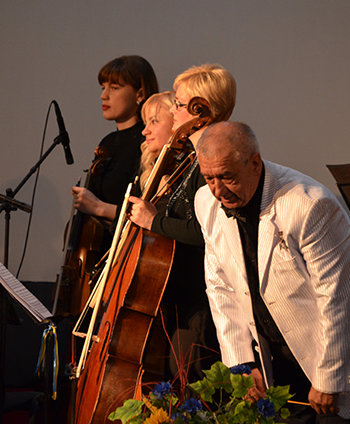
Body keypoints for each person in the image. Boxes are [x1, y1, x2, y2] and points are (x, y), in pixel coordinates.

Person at [194, 121, 350, 423]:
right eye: (209, 178)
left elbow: (338, 298)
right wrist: (242, 364)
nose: (218, 190)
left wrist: (329, 379)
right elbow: (220, 286)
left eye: (227, 177)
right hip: (281, 363)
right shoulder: (205, 201)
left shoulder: (309, 204)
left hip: (345, 360)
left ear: (254, 163)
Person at [127, 64, 237, 383]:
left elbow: (207, 233)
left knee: (194, 386)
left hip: (201, 302)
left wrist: (153, 220)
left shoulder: (210, 162)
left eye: (179, 103)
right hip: (182, 300)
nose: (174, 110)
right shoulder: (191, 159)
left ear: (200, 109)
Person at [71, 55, 158, 233]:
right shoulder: (108, 142)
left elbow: (147, 210)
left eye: (114, 88)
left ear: (140, 94)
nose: (103, 96)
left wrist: (98, 207)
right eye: (103, 88)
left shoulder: (148, 141)